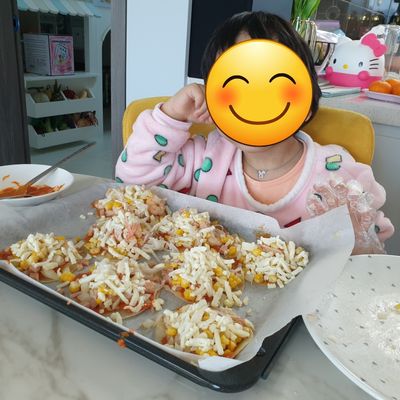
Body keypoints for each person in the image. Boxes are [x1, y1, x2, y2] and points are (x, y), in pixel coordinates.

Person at [116, 11, 394, 254]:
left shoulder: (338, 174)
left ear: (307, 102)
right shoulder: (202, 159)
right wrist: (171, 117)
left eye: (273, 82)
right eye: (236, 83)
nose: (255, 101)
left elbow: (370, 251)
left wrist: (356, 235)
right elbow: (132, 183)